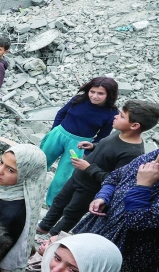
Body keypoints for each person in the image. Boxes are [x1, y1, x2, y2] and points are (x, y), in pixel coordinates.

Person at [39, 100, 157, 236]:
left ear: (135, 125)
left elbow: (115, 180)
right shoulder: (119, 133)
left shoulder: (132, 153)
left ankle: (52, 238)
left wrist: (88, 168)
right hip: (78, 177)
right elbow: (108, 148)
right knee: (59, 202)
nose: (116, 116)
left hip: (90, 189)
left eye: (122, 116)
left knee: (71, 213)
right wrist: (93, 146)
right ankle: (43, 226)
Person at [73, 149, 159, 272]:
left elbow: (137, 221)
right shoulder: (151, 156)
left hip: (130, 262)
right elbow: (114, 177)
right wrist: (103, 197)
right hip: (100, 232)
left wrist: (143, 185)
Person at [40, 76, 118, 206]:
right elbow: (61, 113)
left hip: (79, 146)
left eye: (100, 93)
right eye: (92, 92)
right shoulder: (79, 99)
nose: (94, 96)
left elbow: (102, 136)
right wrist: (54, 131)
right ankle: (23, 189)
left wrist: (89, 151)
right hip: (58, 135)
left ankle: (51, 204)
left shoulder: (111, 113)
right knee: (41, 162)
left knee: (63, 177)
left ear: (109, 95)